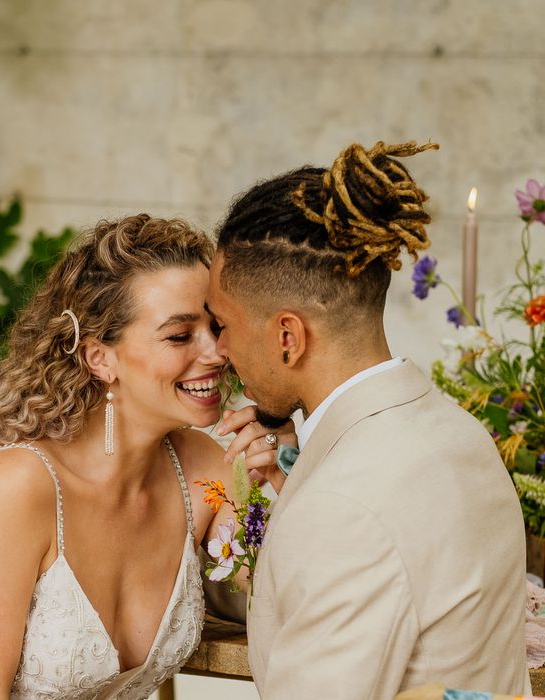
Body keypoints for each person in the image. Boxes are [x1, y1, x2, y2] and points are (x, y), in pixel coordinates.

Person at [0, 214, 292, 700]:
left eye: (216, 327)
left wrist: (285, 474)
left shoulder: (203, 470)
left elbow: (284, 602)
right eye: (180, 336)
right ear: (99, 358)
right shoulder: (18, 486)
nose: (217, 352)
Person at [208, 141, 531, 698]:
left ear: (288, 337)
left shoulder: (342, 506)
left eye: (222, 325)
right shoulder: (461, 433)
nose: (218, 351)